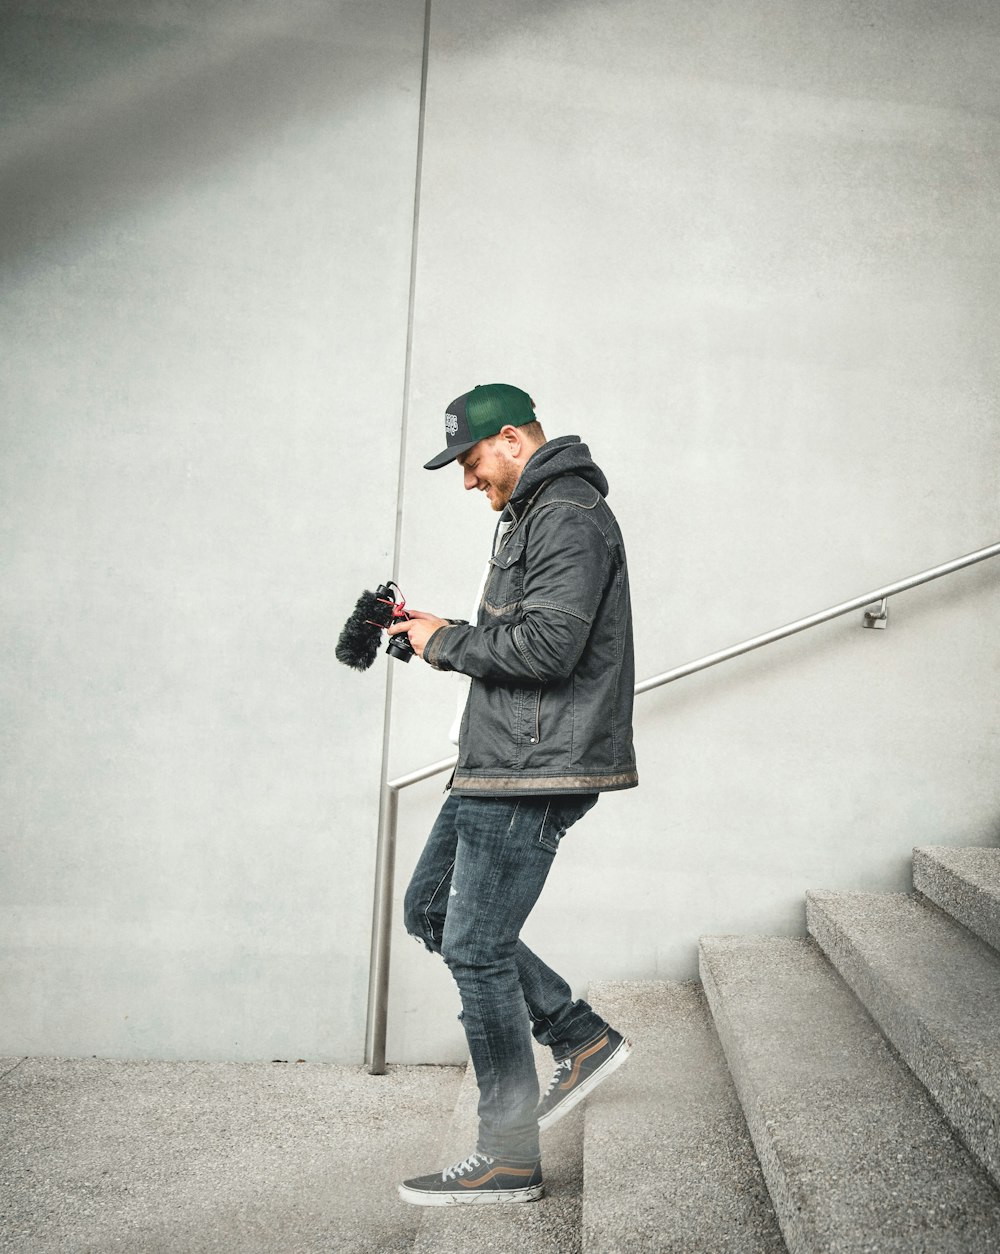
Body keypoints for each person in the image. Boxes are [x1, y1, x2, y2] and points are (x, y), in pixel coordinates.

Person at [387, 382, 638, 1206]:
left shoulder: (567, 514)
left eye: (468, 459)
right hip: (499, 760)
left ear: (510, 440)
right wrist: (432, 632)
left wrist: (445, 641)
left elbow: (549, 649)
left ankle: (507, 1156)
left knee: (476, 947)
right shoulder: (532, 514)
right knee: (430, 912)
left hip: (534, 768)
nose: (465, 480)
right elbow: (520, 636)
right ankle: (579, 1036)